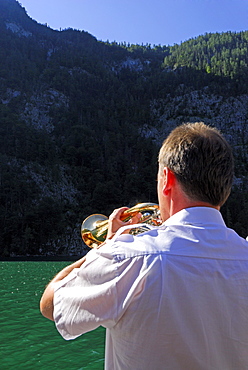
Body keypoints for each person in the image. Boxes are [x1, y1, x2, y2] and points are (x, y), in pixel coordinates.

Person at [40, 122, 248, 370]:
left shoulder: (126, 256)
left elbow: (51, 305)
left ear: (166, 179)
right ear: (225, 188)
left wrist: (104, 248)